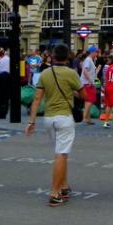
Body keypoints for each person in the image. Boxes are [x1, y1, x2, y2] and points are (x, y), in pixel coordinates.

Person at [26, 44, 82, 207]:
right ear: (67, 57)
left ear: (52, 56)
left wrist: (31, 121)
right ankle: (54, 193)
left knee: (59, 153)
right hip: (64, 117)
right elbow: (83, 94)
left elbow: (37, 99)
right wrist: (72, 92)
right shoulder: (71, 73)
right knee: (62, 155)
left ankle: (64, 187)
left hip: (49, 118)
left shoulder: (45, 73)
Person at [79, 45, 100, 123]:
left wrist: (97, 70)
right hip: (87, 83)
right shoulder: (88, 60)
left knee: (88, 100)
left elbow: (91, 73)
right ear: (92, 52)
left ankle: (88, 118)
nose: (97, 53)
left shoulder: (90, 59)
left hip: (87, 82)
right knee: (91, 99)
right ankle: (85, 117)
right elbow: (85, 71)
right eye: (96, 52)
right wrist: (91, 81)